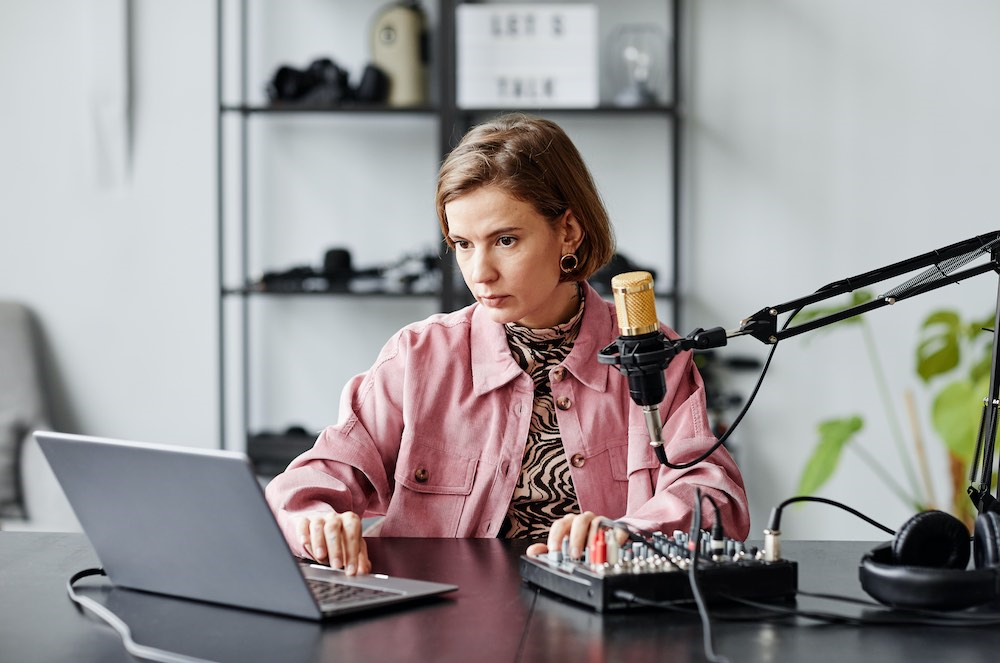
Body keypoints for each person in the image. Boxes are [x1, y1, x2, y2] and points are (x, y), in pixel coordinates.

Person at [264, 113, 750, 576]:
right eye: (463, 244)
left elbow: (714, 496)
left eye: (506, 240)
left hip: (598, 625)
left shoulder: (653, 355)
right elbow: (306, 486)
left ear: (569, 231)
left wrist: (627, 535)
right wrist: (318, 525)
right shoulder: (417, 358)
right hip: (446, 625)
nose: (480, 273)